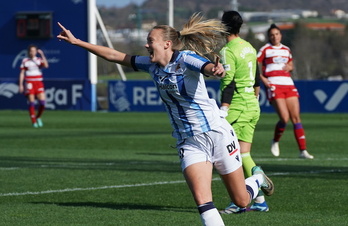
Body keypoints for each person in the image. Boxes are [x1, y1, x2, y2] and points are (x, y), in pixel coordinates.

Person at [57, 13, 274, 226]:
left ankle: (257, 179)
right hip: (189, 142)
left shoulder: (186, 58)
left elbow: (206, 67)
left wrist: (215, 70)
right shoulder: (150, 65)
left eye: (150, 41)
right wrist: (77, 42)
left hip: (217, 133)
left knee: (241, 200)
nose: (146, 46)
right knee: (203, 201)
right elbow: (115, 55)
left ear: (167, 44)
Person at [218, 11, 269, 214]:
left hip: (236, 106)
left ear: (224, 27)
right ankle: (260, 201)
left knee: (224, 155)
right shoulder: (249, 47)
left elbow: (228, 83)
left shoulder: (227, 50)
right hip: (252, 104)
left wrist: (224, 109)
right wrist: (254, 101)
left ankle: (239, 201)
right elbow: (256, 79)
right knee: (244, 153)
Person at [257, 24, 314, 159]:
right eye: (272, 34)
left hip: (288, 84)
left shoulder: (286, 49)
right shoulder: (265, 49)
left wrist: (290, 66)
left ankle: (303, 151)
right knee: (284, 117)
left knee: (296, 118)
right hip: (274, 85)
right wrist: (263, 79)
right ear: (269, 37)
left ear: (280, 35)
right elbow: (253, 64)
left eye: (277, 34)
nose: (274, 36)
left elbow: (291, 65)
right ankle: (275, 141)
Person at [19, 44, 49, 128]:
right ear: (29, 52)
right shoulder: (25, 61)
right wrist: (21, 84)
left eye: (34, 51)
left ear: (36, 51)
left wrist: (42, 54)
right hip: (29, 83)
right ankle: (33, 121)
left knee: (43, 103)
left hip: (38, 82)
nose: (32, 53)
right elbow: (22, 73)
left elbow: (46, 66)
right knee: (31, 102)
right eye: (31, 51)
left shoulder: (39, 60)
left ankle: (38, 117)